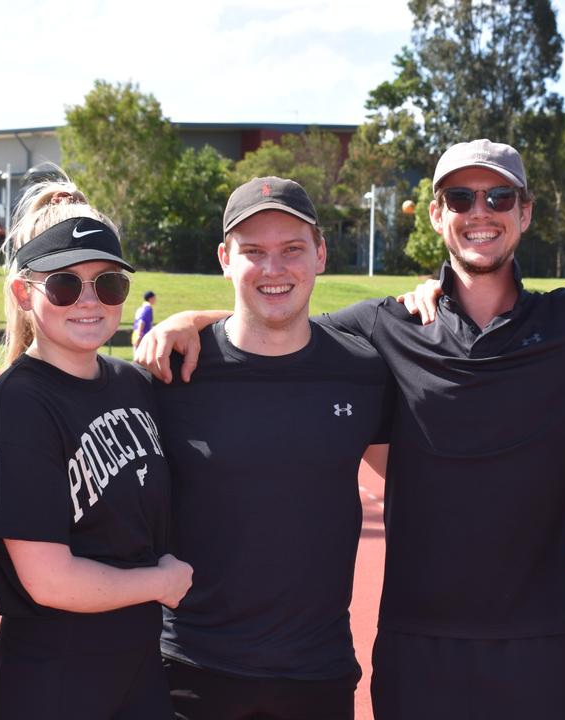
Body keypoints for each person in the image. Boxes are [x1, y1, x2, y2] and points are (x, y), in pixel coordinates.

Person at [138, 140, 565, 719]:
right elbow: (276, 323)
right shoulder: (385, 329)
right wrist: (187, 319)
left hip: (543, 649)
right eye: (463, 199)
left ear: (525, 213)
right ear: (437, 216)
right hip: (417, 651)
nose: (482, 213)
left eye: (499, 198)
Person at [151, 177, 393, 719]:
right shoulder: (172, 372)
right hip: (190, 670)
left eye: (292, 249)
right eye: (253, 252)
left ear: (321, 254)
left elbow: (419, 484)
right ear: (224, 259)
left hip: (318, 674)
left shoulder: (362, 369)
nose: (274, 269)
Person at [0, 174, 192, 719]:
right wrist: (160, 582)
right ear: (24, 293)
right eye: (66, 285)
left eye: (108, 284)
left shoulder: (135, 384)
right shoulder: (16, 407)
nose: (89, 301)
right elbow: (49, 580)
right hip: (53, 680)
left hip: (137, 667)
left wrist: (195, 317)